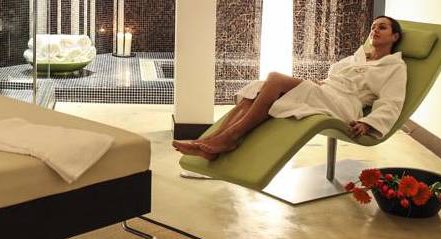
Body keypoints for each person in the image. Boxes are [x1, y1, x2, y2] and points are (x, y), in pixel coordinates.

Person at [174, 16, 408, 161]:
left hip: (344, 105)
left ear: (394, 36)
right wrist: (315, 85)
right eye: (373, 27)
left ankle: (229, 137)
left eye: (382, 27)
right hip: (325, 92)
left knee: (275, 78)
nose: (375, 30)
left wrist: (368, 123)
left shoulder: (394, 67)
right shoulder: (358, 57)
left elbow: (392, 102)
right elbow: (333, 78)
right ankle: (212, 141)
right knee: (259, 89)